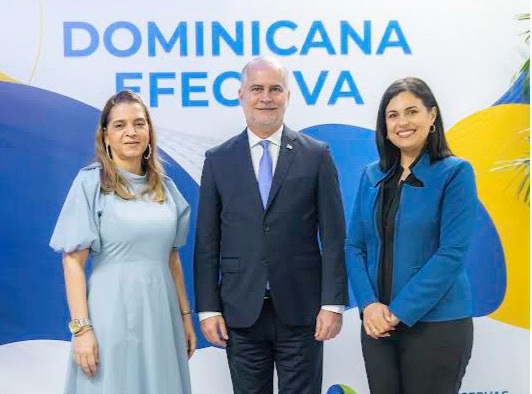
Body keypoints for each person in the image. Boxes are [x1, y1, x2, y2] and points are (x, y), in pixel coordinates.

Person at [194, 56, 348, 394]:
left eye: (275, 89)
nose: (266, 97)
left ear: (288, 96)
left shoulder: (316, 155)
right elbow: (207, 241)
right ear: (241, 94)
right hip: (240, 311)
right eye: (257, 89)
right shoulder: (218, 159)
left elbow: (335, 236)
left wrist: (332, 303)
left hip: (302, 309)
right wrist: (207, 308)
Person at [49, 90, 195, 394]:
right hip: (110, 316)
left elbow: (172, 258)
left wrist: (185, 318)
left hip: (161, 316)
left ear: (149, 132)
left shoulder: (167, 189)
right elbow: (72, 262)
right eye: (120, 125)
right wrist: (82, 329)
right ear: (105, 135)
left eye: (139, 123)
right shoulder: (90, 183)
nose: (131, 132)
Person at [345, 77, 478, 394]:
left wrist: (398, 312)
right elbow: (354, 246)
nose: (402, 122)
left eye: (412, 111)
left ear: (432, 116)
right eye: (392, 115)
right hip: (378, 328)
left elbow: (451, 253)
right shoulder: (370, 175)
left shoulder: (456, 173)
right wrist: (370, 306)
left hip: (437, 325)